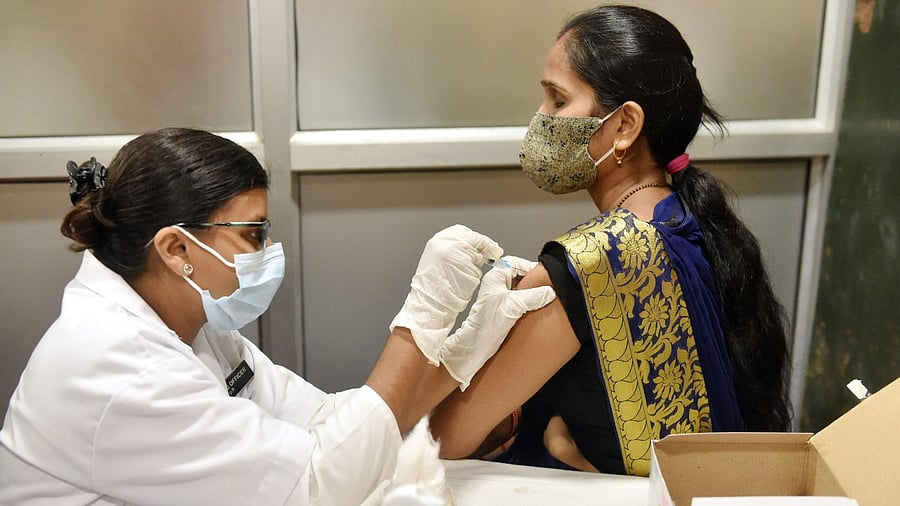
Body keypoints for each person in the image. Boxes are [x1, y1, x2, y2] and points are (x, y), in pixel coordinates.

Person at [0, 127, 556, 505]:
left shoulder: (193, 330)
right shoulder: (120, 367)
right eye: (252, 234)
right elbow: (316, 485)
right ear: (176, 250)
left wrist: (470, 338)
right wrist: (424, 315)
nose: (268, 253)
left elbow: (322, 422)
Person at [428, 4, 792, 477]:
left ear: (624, 126)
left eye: (558, 101)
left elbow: (443, 438)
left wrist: (451, 338)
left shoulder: (589, 263)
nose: (540, 118)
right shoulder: (692, 222)